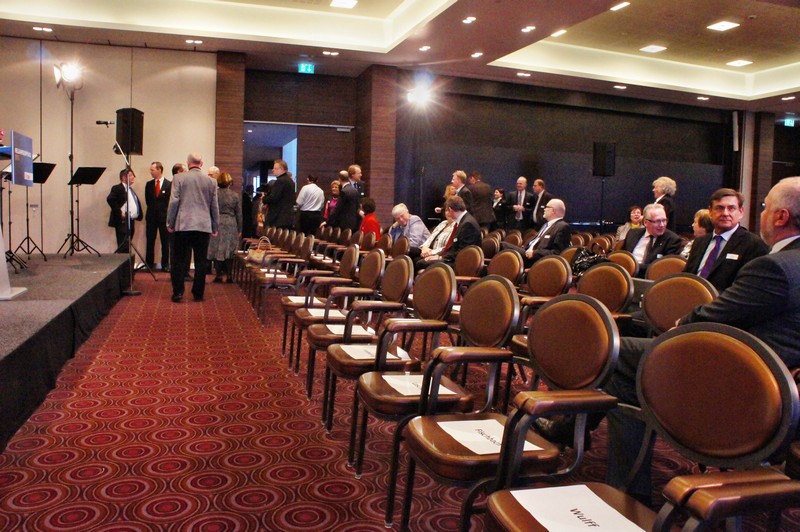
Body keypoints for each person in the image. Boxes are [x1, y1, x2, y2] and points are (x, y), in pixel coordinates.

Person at [604, 176, 800, 505]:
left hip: (747, 388)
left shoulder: (775, 267)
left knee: (620, 356)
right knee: (638, 356)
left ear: (780, 217)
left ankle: (626, 490)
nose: (762, 213)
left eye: (765, 207)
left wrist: (680, 327)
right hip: (779, 382)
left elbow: (717, 314)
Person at [683, 188, 769, 292]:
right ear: (710, 212)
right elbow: (686, 276)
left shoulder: (753, 245)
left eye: (731, 208)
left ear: (741, 212)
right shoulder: (699, 242)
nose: (725, 213)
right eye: (719, 208)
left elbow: (749, 288)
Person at [167, 153, 219, 303]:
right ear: (201, 164)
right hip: (203, 225)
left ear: (188, 163)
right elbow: (214, 206)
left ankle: (178, 292)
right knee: (201, 261)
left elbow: (174, 202)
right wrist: (215, 225)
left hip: (183, 224)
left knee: (178, 260)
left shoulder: (178, 178)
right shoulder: (211, 181)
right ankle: (198, 293)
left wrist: (170, 222)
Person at [502, 199, 571, 267]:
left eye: (547, 207)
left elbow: (558, 253)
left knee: (502, 245)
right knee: (502, 247)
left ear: (553, 210)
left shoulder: (562, 226)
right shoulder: (546, 225)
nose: (544, 209)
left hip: (536, 260)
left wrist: (534, 253)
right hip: (527, 252)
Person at [418, 195, 480, 269]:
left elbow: (462, 251)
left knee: (421, 263)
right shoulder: (464, 221)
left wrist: (440, 257)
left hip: (462, 263)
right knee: (421, 260)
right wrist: (438, 255)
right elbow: (453, 247)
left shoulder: (467, 224)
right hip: (455, 258)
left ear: (450, 210)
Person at [622, 203, 682, 277]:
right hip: (626, 276)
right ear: (645, 222)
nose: (662, 225)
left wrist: (632, 267)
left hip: (651, 280)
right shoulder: (633, 234)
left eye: (664, 220)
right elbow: (623, 257)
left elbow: (663, 268)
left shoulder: (672, 240)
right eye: (657, 221)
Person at [207, 172, 242, 284]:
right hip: (231, 222)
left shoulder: (214, 194)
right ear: (229, 182)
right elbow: (239, 213)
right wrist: (240, 228)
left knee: (217, 248)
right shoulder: (235, 195)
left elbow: (209, 210)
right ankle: (229, 275)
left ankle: (218, 275)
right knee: (229, 249)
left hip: (217, 222)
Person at [107, 168, 143, 253]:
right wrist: (120, 212)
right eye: (131, 175)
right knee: (123, 245)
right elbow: (110, 199)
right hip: (123, 221)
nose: (133, 177)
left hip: (131, 221)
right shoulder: (117, 188)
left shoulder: (130, 189)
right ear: (124, 177)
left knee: (128, 245)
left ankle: (127, 260)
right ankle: (122, 260)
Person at [144, 161, 171, 271]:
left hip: (164, 218)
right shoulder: (149, 184)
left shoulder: (169, 184)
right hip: (151, 217)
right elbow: (148, 201)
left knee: (165, 241)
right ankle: (149, 264)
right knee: (150, 241)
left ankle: (165, 264)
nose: (150, 172)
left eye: (152, 170)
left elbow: (169, 202)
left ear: (159, 170)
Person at [264, 159, 296, 230]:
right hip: (288, 217)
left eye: (275, 168)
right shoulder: (290, 181)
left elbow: (274, 197)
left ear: (281, 169)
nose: (273, 170)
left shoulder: (280, 181)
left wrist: (264, 199)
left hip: (278, 218)